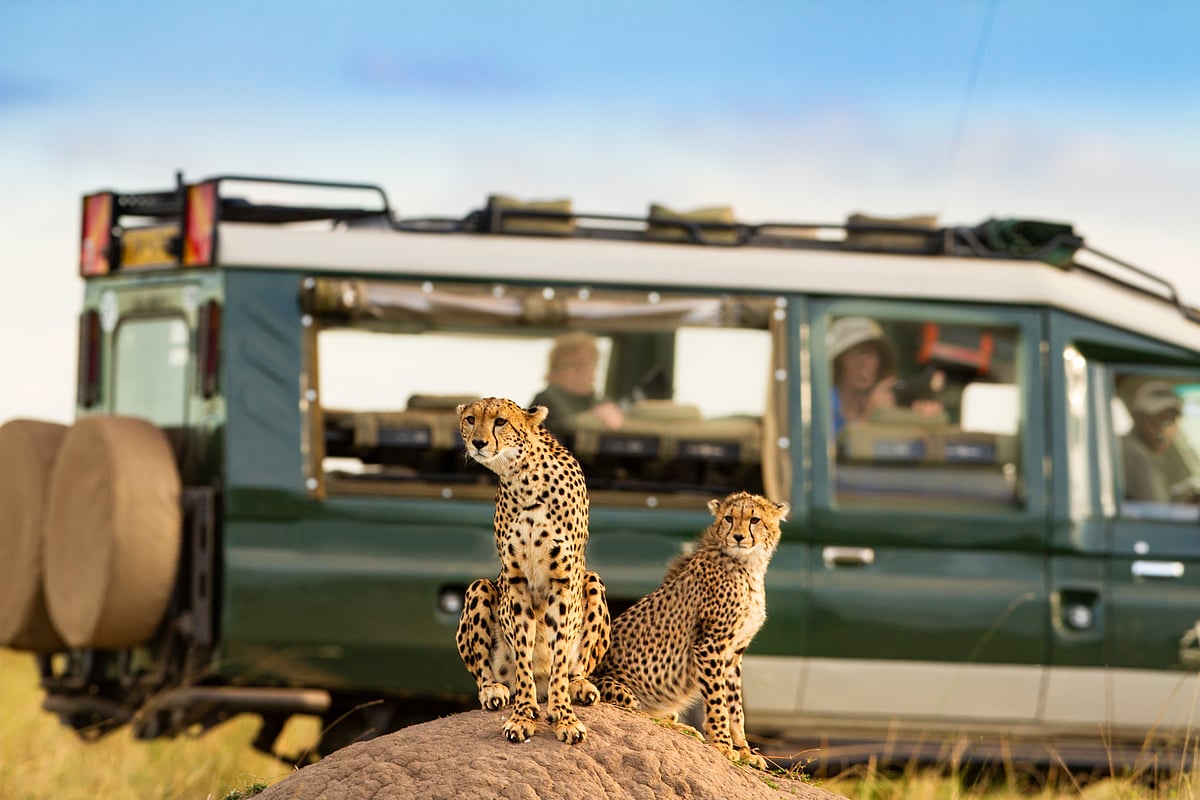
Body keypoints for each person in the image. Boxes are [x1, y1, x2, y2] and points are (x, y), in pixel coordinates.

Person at [827, 316, 944, 436]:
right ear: (838, 362)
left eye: (872, 354)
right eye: (856, 354)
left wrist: (922, 418)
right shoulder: (820, 405)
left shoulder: (890, 399)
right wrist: (868, 417)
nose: (864, 363)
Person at [531, 332, 624, 438]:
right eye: (572, 365)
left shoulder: (604, 403)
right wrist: (590, 420)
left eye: (589, 363)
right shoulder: (543, 403)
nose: (582, 371)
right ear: (554, 373)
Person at [1121, 380, 1196, 503]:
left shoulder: (1144, 451)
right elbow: (1157, 510)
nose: (1162, 430)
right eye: (1155, 420)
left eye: (1170, 421)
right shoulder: (1133, 452)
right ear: (1137, 418)